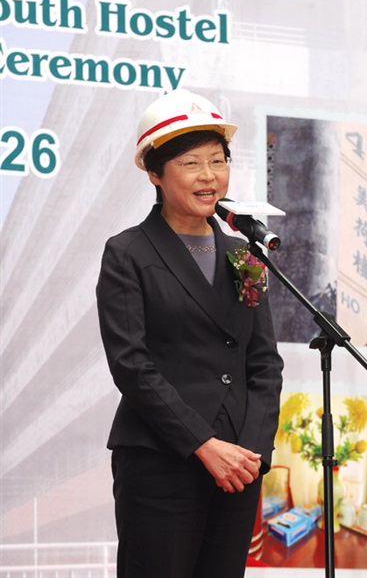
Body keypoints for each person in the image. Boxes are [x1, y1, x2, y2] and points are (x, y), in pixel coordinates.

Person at [96, 89, 283, 578]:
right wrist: (204, 444)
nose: (209, 176)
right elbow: (132, 366)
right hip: (162, 461)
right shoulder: (128, 253)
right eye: (191, 163)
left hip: (237, 467)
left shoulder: (245, 252)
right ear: (155, 174)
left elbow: (264, 363)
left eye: (218, 161)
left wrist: (252, 453)